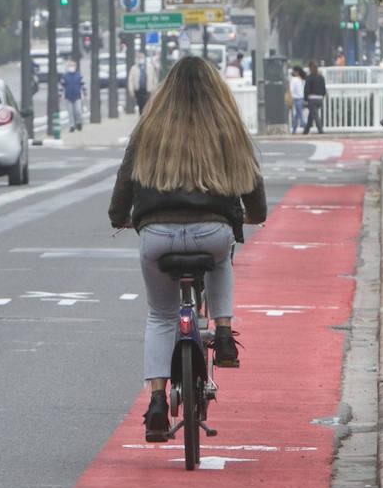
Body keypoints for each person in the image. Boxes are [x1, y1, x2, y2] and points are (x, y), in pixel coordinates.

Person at [108, 56, 268, 442]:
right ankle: (225, 332)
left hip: (156, 235)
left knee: (161, 316)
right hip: (211, 232)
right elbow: (254, 191)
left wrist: (120, 218)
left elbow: (124, 184)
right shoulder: (227, 128)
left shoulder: (149, 128)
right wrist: (250, 215)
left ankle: (158, 401)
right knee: (220, 257)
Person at [304, 60, 327, 134]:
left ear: (310, 68)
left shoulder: (309, 77)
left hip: (312, 99)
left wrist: (305, 99)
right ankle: (306, 131)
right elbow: (324, 89)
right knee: (311, 115)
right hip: (320, 99)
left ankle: (321, 130)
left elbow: (306, 89)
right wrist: (322, 96)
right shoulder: (321, 77)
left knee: (316, 116)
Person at [62, 60, 85, 132]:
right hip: (68, 97)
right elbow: (61, 86)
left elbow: (83, 85)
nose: (71, 67)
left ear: (75, 67)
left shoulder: (79, 76)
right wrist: (60, 95)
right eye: (70, 66)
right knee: (70, 112)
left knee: (78, 111)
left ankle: (79, 122)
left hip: (77, 96)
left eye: (73, 66)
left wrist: (85, 94)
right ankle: (72, 126)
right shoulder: (65, 76)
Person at [289, 66, 307, 134]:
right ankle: (299, 128)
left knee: (298, 115)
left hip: (296, 99)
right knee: (298, 114)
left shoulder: (294, 79)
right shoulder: (300, 79)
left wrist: (290, 98)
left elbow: (291, 90)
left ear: (296, 72)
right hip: (301, 99)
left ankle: (304, 127)